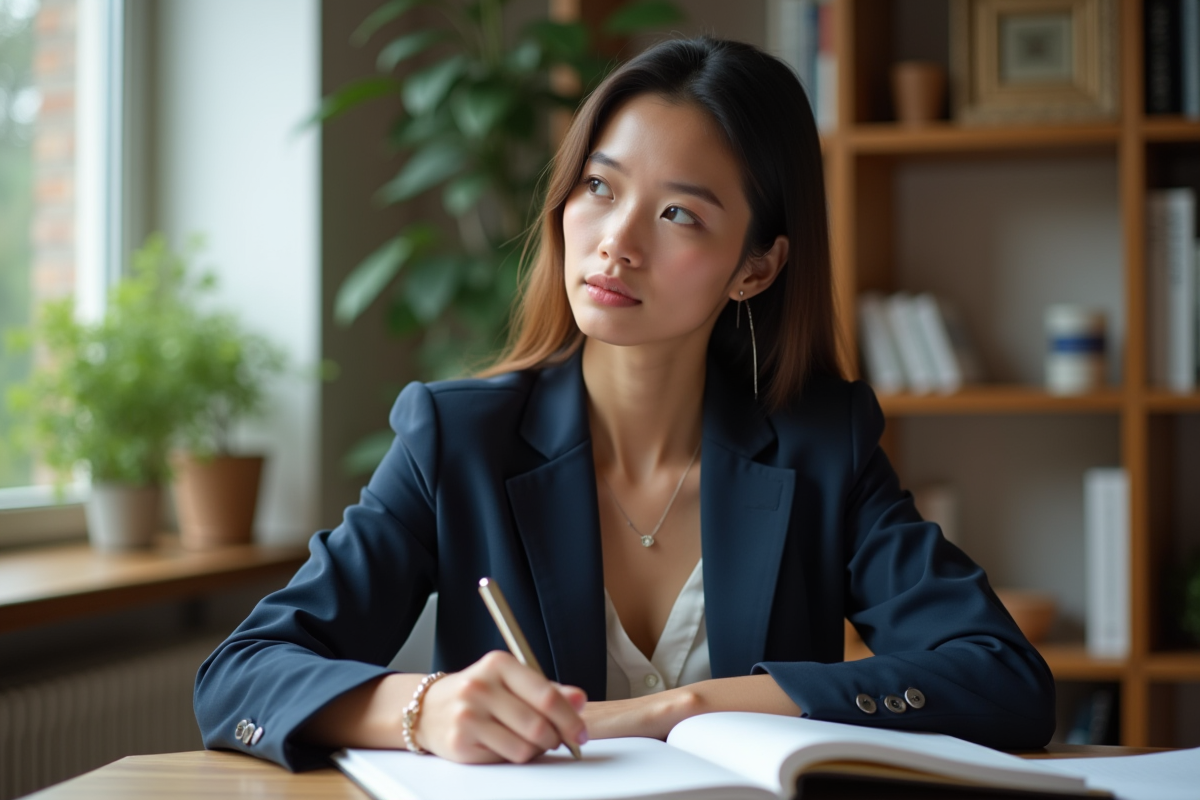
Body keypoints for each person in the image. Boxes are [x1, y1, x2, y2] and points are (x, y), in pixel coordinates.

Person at [194, 36, 1055, 771]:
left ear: (755, 267)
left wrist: (681, 708)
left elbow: (1003, 680)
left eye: (679, 213)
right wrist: (424, 708)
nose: (616, 242)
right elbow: (242, 675)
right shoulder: (457, 440)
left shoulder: (819, 448)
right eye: (600, 188)